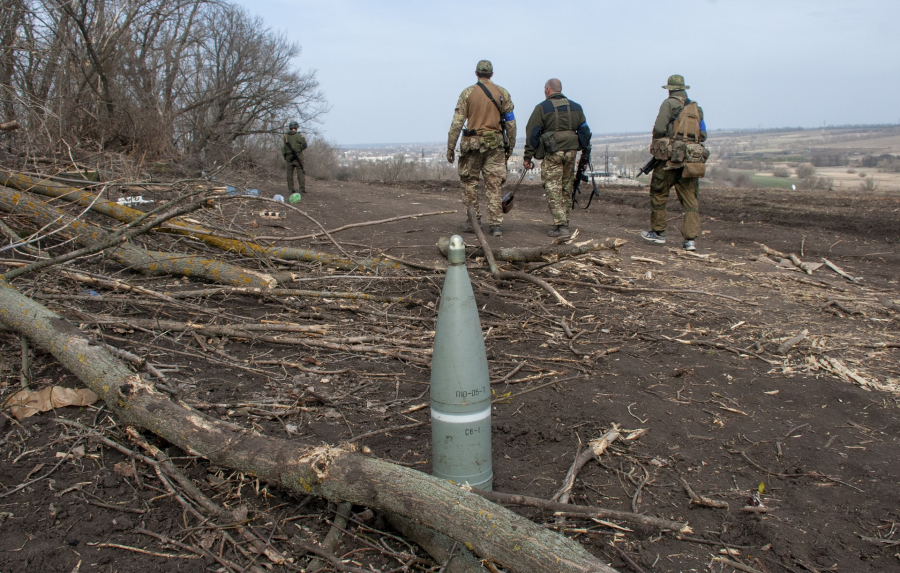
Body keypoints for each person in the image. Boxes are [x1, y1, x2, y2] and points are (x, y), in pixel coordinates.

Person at [447, 60, 516, 237]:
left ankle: (474, 222)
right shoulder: (503, 93)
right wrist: (510, 146)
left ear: (476, 74)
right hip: (496, 145)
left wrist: (450, 147)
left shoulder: (467, 93)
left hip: (472, 145)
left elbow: (457, 123)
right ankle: (496, 226)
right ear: (491, 74)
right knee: (493, 186)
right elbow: (511, 122)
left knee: (470, 183)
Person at [640, 75, 707, 251]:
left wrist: (661, 144)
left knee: (659, 192)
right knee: (690, 200)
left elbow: (660, 128)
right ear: (684, 89)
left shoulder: (668, 104)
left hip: (669, 159)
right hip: (690, 160)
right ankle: (690, 240)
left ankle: (658, 233)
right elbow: (704, 134)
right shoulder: (696, 108)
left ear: (670, 89)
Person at [522, 79, 591, 237]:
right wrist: (584, 155)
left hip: (553, 152)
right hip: (571, 152)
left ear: (547, 90)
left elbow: (532, 132)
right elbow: (585, 132)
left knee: (552, 187)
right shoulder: (576, 107)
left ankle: (561, 226)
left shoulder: (542, 108)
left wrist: (528, 156)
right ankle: (565, 220)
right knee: (567, 186)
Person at [282, 121, 308, 195]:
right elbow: (305, 145)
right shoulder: (298, 136)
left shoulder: (286, 136)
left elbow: (285, 147)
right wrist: (300, 148)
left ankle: (290, 189)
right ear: (296, 128)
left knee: (289, 172)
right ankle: (302, 189)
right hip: (298, 157)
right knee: (300, 171)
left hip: (288, 157)